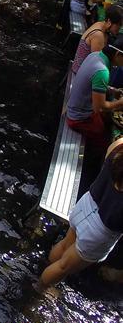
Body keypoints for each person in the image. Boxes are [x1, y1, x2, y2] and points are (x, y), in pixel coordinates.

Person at [38, 137, 123, 290]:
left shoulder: (119, 147)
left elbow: (108, 153)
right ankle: (40, 288)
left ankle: (46, 266)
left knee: (64, 244)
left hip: (85, 205)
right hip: (99, 232)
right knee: (63, 267)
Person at [65, 34, 123, 148]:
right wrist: (120, 103)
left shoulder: (95, 55)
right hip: (78, 118)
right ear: (117, 54)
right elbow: (99, 108)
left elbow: (93, 82)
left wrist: (112, 91)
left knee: (105, 120)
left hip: (75, 107)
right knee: (104, 139)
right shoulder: (102, 71)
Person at [71, 5, 123, 75]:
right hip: (79, 73)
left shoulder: (100, 24)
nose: (119, 28)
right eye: (118, 25)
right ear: (109, 21)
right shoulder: (98, 35)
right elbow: (97, 64)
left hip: (82, 69)